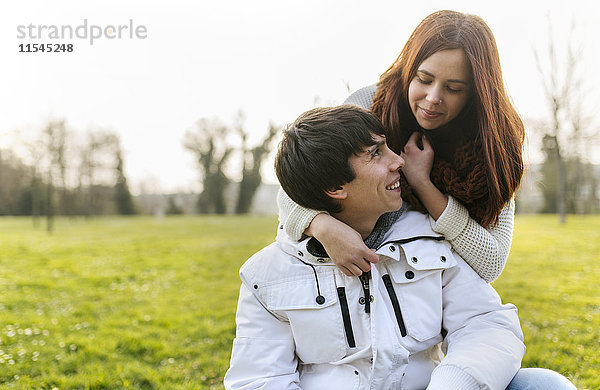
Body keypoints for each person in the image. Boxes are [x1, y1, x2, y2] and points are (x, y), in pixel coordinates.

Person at [225, 105, 528, 389]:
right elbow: (260, 380)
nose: (398, 160)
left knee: (542, 384)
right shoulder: (264, 277)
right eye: (375, 154)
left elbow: (486, 325)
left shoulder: (429, 237)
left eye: (386, 146)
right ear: (335, 188)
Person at [277, 10, 524, 282]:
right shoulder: (370, 103)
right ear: (409, 68)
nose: (432, 98)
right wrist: (324, 228)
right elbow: (299, 180)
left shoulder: (494, 143)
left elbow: (491, 262)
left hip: (436, 284)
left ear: (477, 92)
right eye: (424, 79)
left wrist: (422, 183)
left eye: (453, 89)